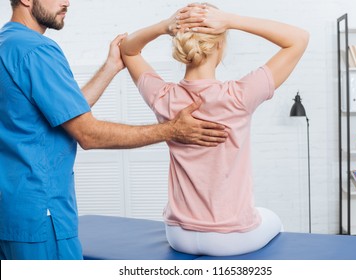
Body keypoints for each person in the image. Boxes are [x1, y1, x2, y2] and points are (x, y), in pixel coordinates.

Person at [0, 0, 228, 260]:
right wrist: (172, 130)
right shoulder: (37, 50)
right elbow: (88, 133)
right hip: (41, 214)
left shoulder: (7, 44)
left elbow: (64, 113)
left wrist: (110, 67)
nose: (67, 2)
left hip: (11, 211)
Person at [120, 3, 309, 256]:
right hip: (229, 238)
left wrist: (164, 26)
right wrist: (231, 20)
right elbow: (299, 39)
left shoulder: (164, 97)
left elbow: (128, 51)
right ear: (219, 45)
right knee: (273, 219)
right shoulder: (239, 95)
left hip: (178, 234)